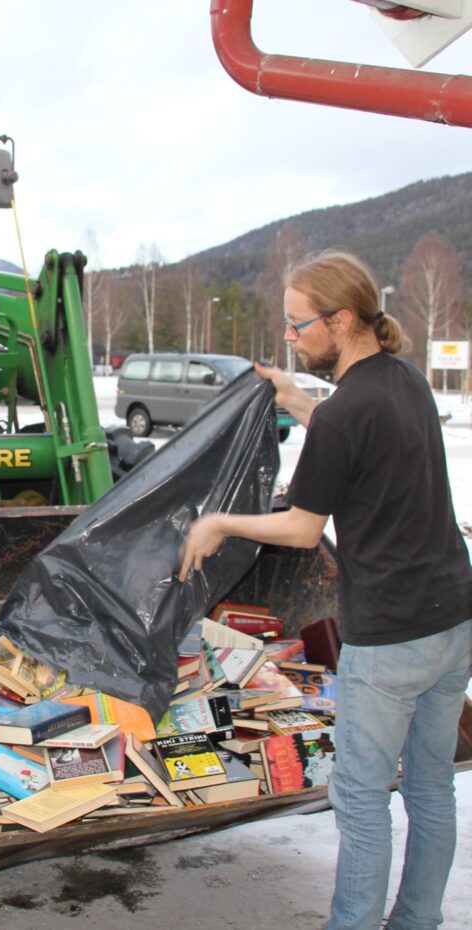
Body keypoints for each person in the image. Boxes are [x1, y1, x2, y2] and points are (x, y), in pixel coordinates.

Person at [178, 250, 472, 930]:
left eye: (297, 324)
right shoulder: (406, 383)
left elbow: (304, 528)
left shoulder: (347, 414)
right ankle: (416, 922)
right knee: (430, 788)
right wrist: (298, 400)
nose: (291, 335)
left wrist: (218, 522)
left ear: (339, 321)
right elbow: (359, 444)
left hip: (391, 636)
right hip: (454, 620)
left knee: (361, 797)